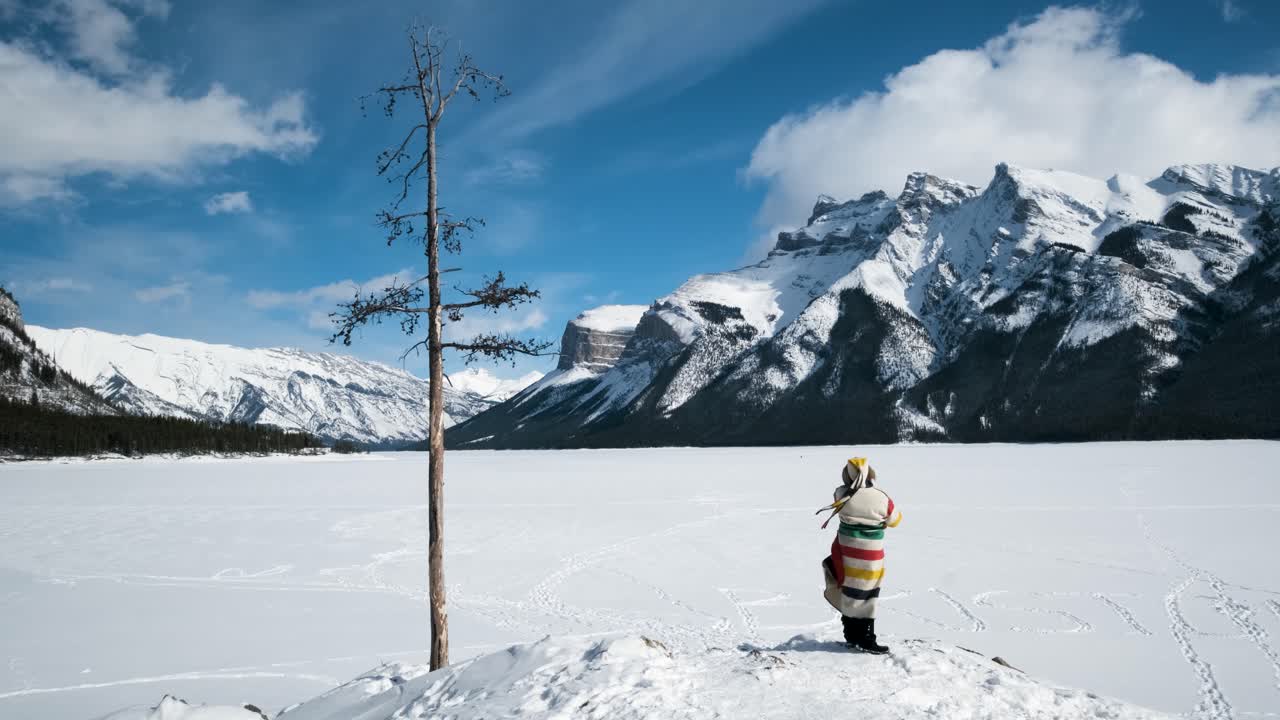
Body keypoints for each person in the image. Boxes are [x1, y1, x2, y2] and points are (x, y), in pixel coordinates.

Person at [818, 457, 902, 654]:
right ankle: (867, 639)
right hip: (870, 555)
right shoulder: (882, 498)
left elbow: (839, 499)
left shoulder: (842, 493)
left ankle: (851, 634)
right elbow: (895, 520)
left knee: (850, 590)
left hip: (846, 551)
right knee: (868, 594)